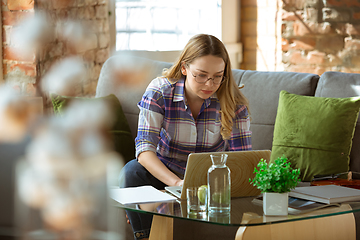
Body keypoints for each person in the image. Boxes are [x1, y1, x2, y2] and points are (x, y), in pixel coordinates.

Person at [119, 33, 252, 240]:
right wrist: (178, 184)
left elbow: (242, 161)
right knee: (131, 172)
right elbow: (145, 151)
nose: (210, 83)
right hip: (162, 175)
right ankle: (145, 236)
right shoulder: (160, 91)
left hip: (208, 182)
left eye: (218, 76)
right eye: (201, 75)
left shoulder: (234, 103)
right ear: (184, 68)